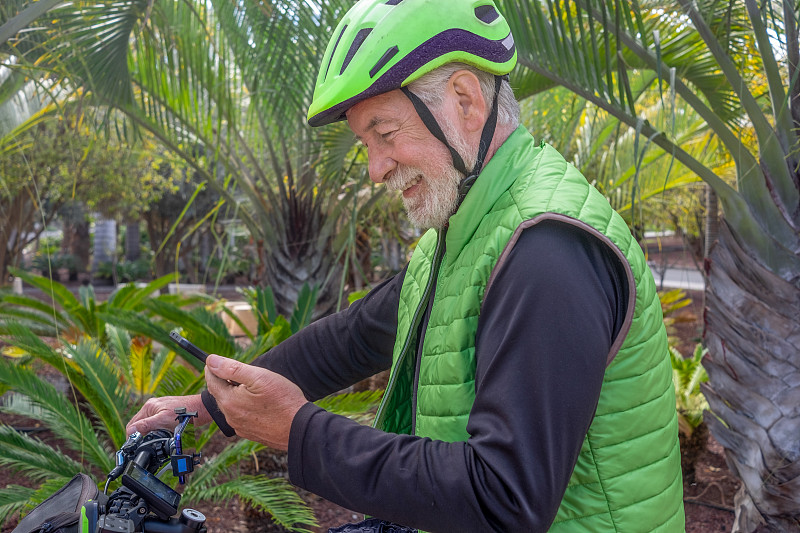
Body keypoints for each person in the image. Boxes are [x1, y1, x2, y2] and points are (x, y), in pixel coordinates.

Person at [127, 1, 685, 531]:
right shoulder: (471, 231)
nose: (374, 169)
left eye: (385, 134)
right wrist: (205, 409)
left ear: (465, 101)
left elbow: (505, 497)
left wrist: (298, 431)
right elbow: (350, 339)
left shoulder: (547, 250)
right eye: (365, 144)